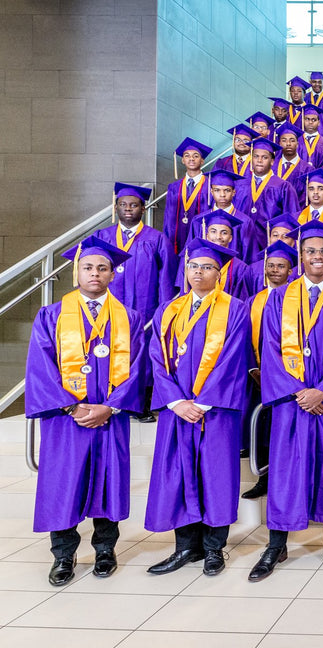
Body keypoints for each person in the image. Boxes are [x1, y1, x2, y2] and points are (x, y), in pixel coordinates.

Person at [249, 221, 323, 582]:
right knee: (285, 470)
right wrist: (300, 391)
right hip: (291, 403)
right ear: (300, 257)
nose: (317, 256)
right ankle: (276, 543)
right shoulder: (279, 299)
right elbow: (268, 350)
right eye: (311, 251)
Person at [27, 237, 146, 586]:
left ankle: (105, 549)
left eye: (102, 268)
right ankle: (63, 555)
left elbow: (138, 368)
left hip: (110, 419)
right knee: (64, 483)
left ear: (113, 274)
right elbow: (40, 366)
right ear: (76, 271)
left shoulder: (130, 318)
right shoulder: (50, 315)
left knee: (108, 483)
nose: (95, 273)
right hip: (67, 419)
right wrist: (72, 404)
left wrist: (109, 407)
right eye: (88, 267)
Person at [146, 239, 251, 578]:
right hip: (177, 411)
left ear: (219, 274)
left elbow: (234, 359)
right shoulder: (168, 310)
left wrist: (203, 401)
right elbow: (156, 360)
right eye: (194, 266)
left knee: (215, 476)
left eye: (207, 267)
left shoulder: (235, 309)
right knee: (177, 475)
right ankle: (185, 548)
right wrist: (176, 401)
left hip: (215, 410)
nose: (198, 272)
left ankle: (213, 549)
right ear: (186, 270)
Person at [241, 239, 299, 500]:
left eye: (281, 266)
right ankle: (263, 480)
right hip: (257, 378)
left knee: (286, 430)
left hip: (289, 380)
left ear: (291, 271)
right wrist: (254, 371)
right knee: (262, 430)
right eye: (271, 265)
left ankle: (288, 482)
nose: (275, 270)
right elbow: (241, 340)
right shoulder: (252, 301)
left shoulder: (297, 300)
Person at [92, 183, 176, 326]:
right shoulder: (102, 237)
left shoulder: (157, 239)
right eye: (122, 204)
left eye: (134, 205)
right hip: (108, 307)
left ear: (143, 209)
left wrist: (164, 312)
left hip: (145, 310)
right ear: (116, 207)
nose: (128, 208)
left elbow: (166, 280)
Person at [165, 138, 214, 255]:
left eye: (196, 156)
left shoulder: (211, 185)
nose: (191, 159)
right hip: (176, 237)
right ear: (182, 160)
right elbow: (167, 217)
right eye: (187, 155)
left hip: (200, 234)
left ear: (202, 161)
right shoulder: (173, 187)